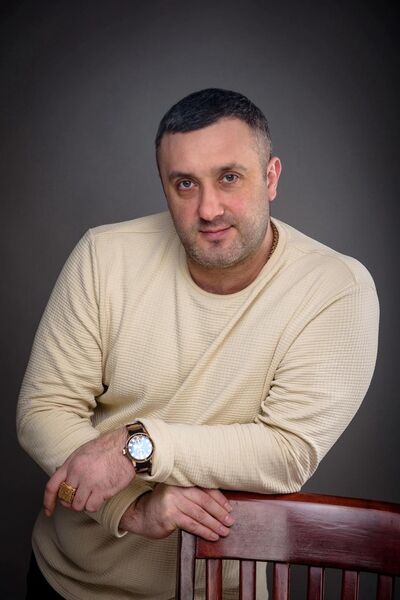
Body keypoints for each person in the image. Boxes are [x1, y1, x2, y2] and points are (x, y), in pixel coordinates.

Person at [17, 88, 379, 600]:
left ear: (271, 177)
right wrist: (132, 507)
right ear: (165, 187)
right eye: (185, 184)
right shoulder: (103, 255)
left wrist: (139, 446)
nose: (209, 208)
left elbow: (286, 452)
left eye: (229, 177)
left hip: (223, 590)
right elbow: (43, 409)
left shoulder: (336, 288)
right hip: (73, 583)